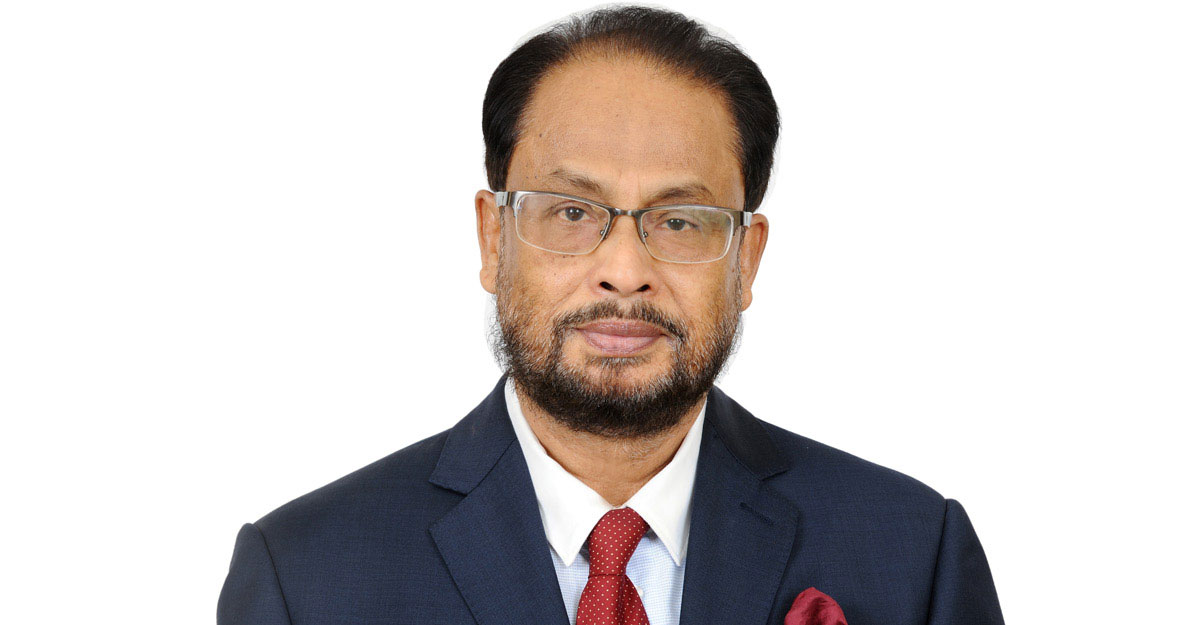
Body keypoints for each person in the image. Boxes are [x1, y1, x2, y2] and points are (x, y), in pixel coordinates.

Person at [217, 6, 1004, 625]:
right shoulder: (307, 577)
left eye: (681, 220)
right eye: (571, 212)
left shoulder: (912, 556)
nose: (625, 271)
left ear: (746, 258)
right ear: (494, 239)